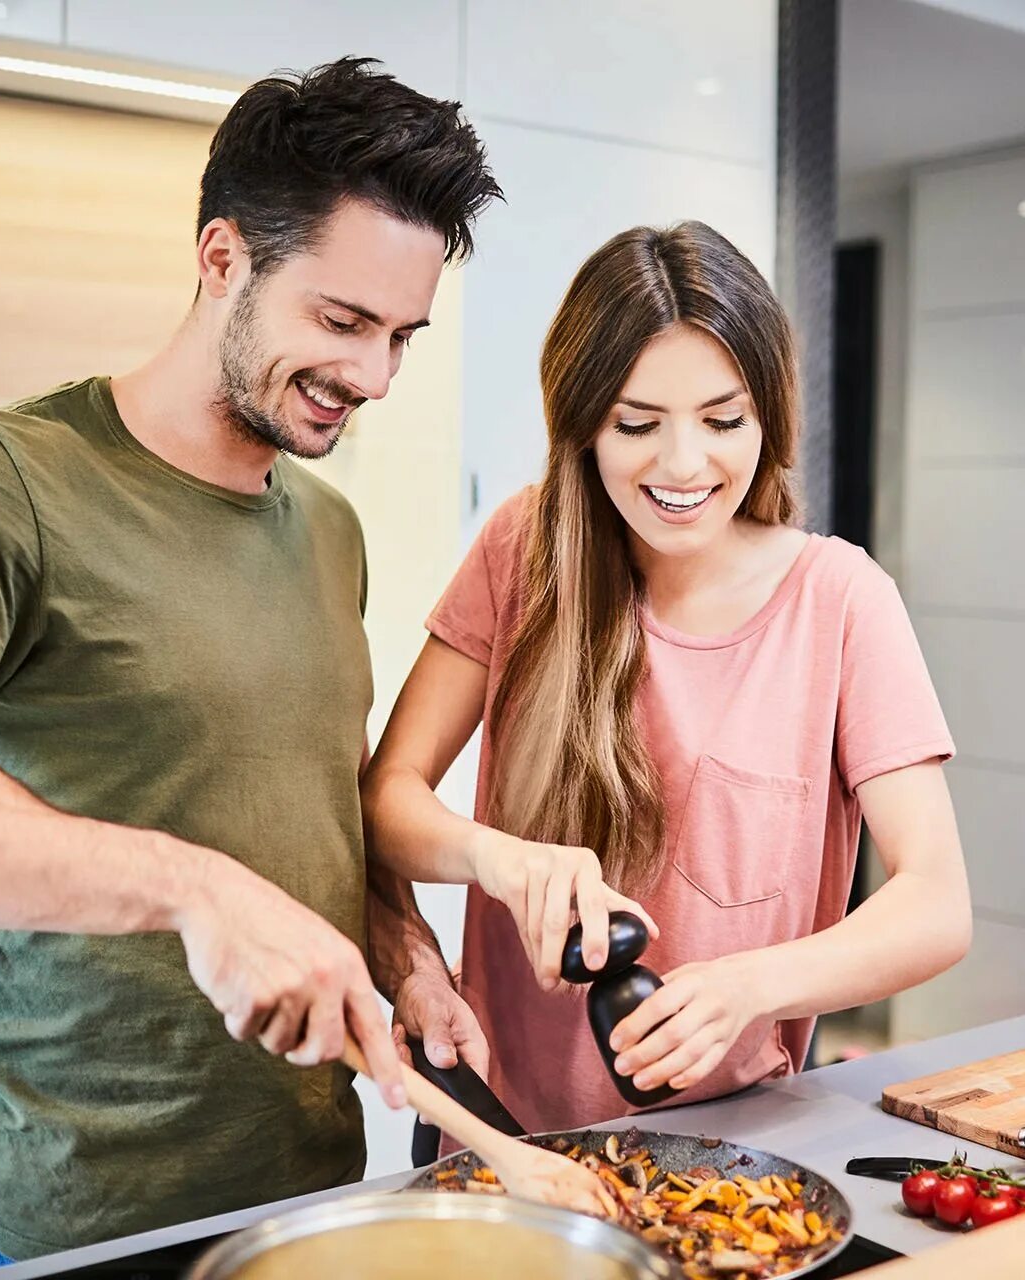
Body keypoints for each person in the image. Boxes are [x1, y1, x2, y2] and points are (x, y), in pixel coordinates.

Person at [0, 58, 501, 1272]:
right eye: (341, 321)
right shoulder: (6, 477)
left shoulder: (329, 532)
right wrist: (192, 889)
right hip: (66, 1216)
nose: (373, 377)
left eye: (402, 338)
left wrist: (403, 945)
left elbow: (309, 801)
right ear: (223, 258)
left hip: (302, 1199)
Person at [363, 221, 971, 1133]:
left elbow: (935, 904)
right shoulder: (523, 552)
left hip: (734, 1138)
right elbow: (386, 797)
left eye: (724, 422)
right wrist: (497, 858)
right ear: (583, 427)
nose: (684, 466)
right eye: (636, 425)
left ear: (768, 418)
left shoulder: (841, 602)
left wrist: (747, 987)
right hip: (499, 1124)